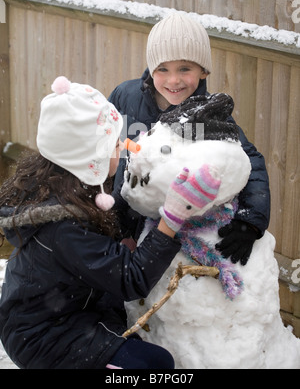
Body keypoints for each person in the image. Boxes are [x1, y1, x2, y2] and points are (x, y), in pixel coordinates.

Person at [0, 76, 215, 369]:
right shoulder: (63, 225)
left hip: (67, 311)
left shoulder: (65, 185)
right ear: (90, 157)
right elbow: (131, 280)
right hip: (41, 335)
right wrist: (174, 215)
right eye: (115, 142)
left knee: (136, 345)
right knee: (154, 364)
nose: (124, 145)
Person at [109, 12, 271, 266]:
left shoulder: (210, 119)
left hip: (163, 228)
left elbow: (251, 162)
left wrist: (249, 221)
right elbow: (103, 143)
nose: (174, 80)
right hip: (116, 217)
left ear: (203, 70)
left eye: (185, 68)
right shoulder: (126, 97)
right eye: (163, 69)